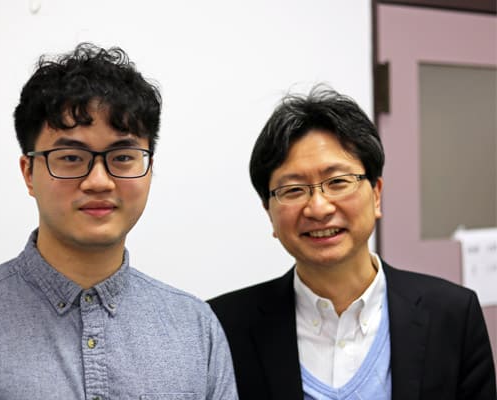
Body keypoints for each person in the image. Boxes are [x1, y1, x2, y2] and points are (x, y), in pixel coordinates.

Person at [0, 43, 238, 400]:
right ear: (29, 173)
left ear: (149, 168)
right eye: (71, 157)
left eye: (123, 157)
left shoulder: (195, 327)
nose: (99, 181)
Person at [208, 86, 496, 400]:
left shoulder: (453, 316)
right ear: (269, 213)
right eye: (293, 190)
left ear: (376, 195)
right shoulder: (221, 326)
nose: (318, 208)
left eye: (338, 182)